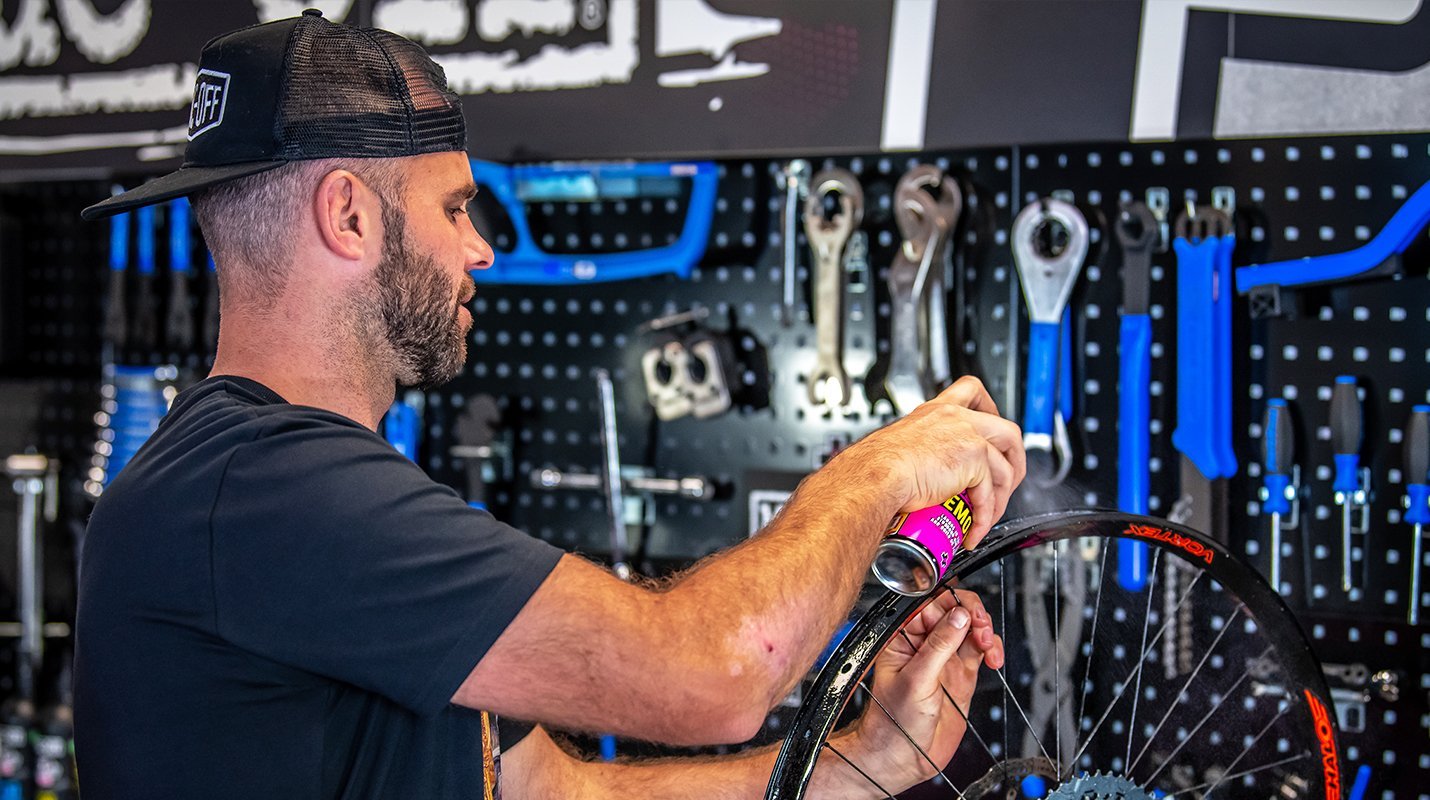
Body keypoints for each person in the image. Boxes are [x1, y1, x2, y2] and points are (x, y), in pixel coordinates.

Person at [76, 10, 1023, 799]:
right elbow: (722, 673)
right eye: (454, 208)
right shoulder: (266, 491)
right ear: (349, 215)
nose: (480, 248)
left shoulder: (283, 493)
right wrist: (880, 469)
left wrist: (865, 761)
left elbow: (557, 794)